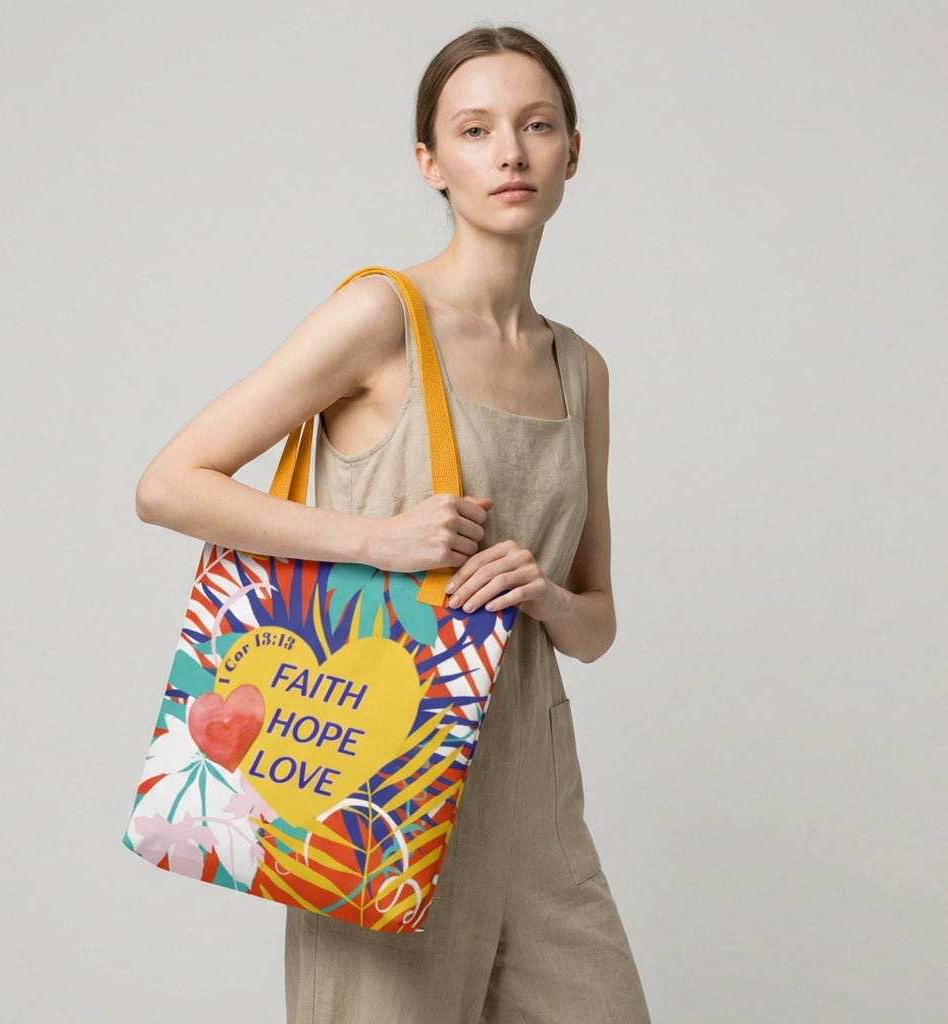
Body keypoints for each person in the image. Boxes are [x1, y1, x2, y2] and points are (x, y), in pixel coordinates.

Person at [136, 23, 651, 1024]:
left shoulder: (579, 369)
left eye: (536, 125)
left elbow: (597, 622)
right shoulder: (380, 314)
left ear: (572, 153)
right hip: (383, 783)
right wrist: (380, 542)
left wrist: (540, 593)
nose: (509, 152)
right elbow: (168, 482)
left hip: (537, 802)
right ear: (432, 162)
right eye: (475, 129)